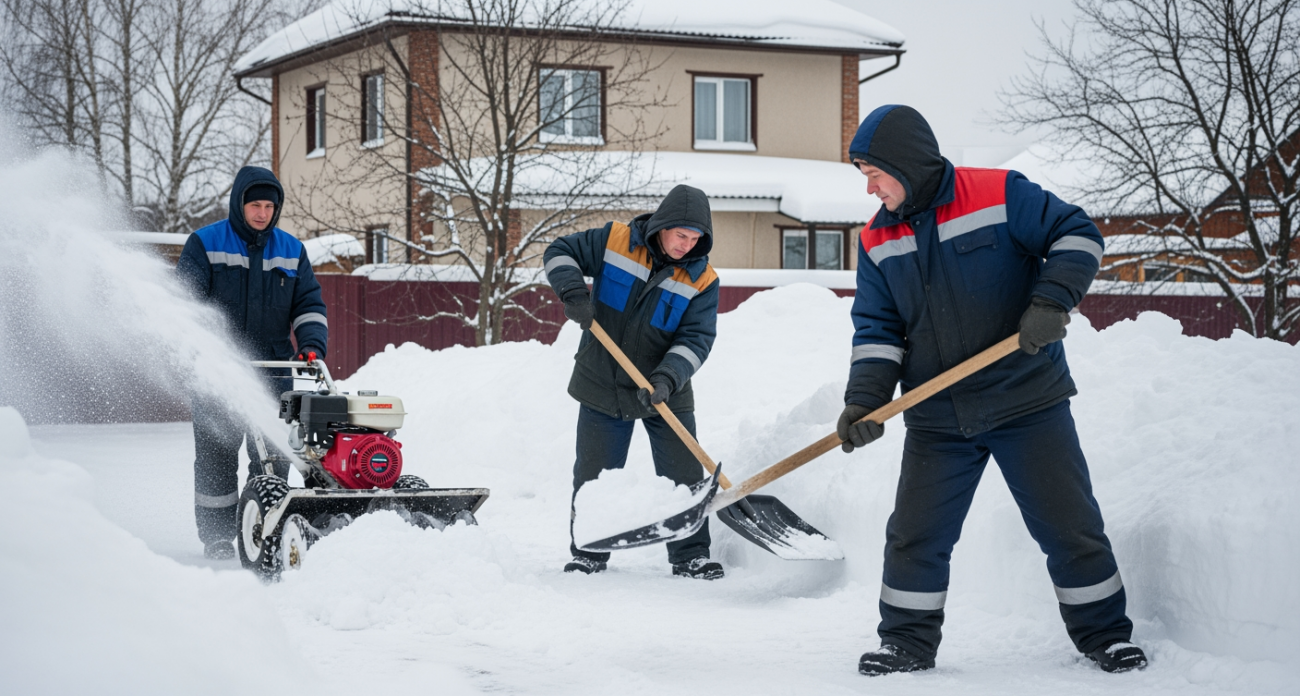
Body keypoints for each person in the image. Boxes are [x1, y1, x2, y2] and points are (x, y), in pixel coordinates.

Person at [839, 105, 1146, 675]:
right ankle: (905, 643)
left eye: (874, 173)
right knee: (915, 535)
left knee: (1068, 524)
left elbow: (1078, 233)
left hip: (1026, 398)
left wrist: (1053, 299)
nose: (870, 188)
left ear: (905, 165)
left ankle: (1106, 635)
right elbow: (878, 328)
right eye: (864, 175)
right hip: (937, 411)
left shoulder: (999, 193)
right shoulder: (878, 239)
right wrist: (866, 401)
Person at [544, 184, 724, 580]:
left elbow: (696, 338)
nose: (686, 245)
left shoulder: (702, 279)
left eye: (695, 239)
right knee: (594, 473)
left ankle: (690, 555)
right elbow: (559, 250)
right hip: (602, 377)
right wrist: (573, 291)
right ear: (664, 225)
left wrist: (668, 377)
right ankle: (590, 550)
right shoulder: (616, 241)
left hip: (665, 387)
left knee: (684, 474)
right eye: (681, 235)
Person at [176, 166, 328, 560]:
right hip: (217, 373)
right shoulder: (206, 243)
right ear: (239, 203)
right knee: (216, 457)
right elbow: (185, 306)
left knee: (274, 457)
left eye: (269, 206)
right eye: (254, 204)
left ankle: (267, 527)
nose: (262, 213)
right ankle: (217, 537)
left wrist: (311, 346)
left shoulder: (292, 250)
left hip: (274, 371)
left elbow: (308, 304)